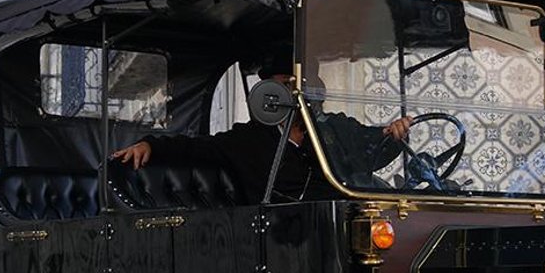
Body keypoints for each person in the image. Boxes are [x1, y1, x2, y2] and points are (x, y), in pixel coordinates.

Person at [111, 52, 412, 203]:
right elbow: (195, 147)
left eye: (301, 85)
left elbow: (371, 148)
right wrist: (150, 144)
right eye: (285, 87)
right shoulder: (247, 141)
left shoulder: (335, 129)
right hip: (283, 236)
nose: (295, 94)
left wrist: (395, 135)